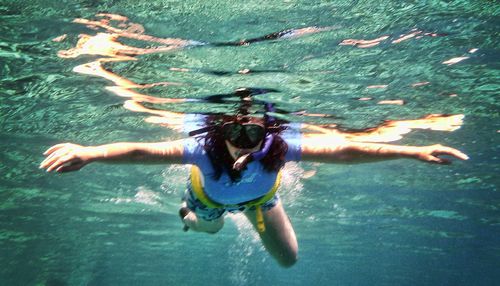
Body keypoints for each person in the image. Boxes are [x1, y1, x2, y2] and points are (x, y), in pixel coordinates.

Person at [39, 111, 468, 268]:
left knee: (288, 261)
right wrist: (91, 151)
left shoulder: (280, 148)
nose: (243, 141)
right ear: (219, 129)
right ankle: (187, 215)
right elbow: (139, 151)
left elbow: (344, 149)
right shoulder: (199, 150)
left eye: (253, 133)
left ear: (268, 131)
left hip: (262, 199)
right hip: (208, 203)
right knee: (209, 227)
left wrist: (412, 151)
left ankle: (229, 215)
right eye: (234, 131)